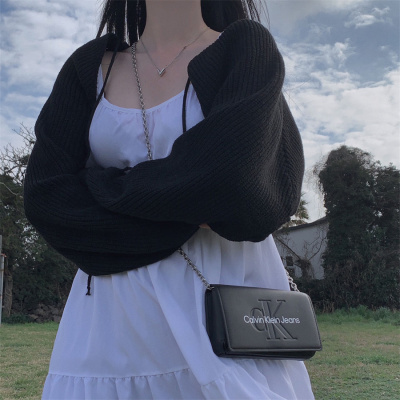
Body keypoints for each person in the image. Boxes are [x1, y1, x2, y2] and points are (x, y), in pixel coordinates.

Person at [24, 0, 315, 398]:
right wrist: (190, 203)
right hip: (110, 321)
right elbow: (46, 198)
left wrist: (99, 188)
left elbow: (244, 187)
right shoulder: (88, 68)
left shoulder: (246, 50)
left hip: (226, 311)